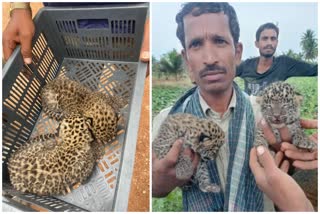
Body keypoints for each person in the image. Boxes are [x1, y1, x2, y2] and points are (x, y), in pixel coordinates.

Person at [153, 2, 268, 211]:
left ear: (237, 52)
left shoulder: (265, 115)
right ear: (187, 60)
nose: (210, 58)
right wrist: (158, 182)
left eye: (220, 41)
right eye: (196, 44)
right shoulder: (166, 122)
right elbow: (153, 186)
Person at [2, 2, 150, 67]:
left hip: (127, 28)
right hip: (66, 28)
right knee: (79, 78)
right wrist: (19, 6)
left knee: (124, 80)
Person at [236, 22, 318, 95]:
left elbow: (314, 70)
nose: (269, 43)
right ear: (257, 43)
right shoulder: (246, 65)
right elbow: (227, 75)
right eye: (265, 38)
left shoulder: (284, 64)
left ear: (277, 42)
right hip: (250, 110)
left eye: (273, 39)